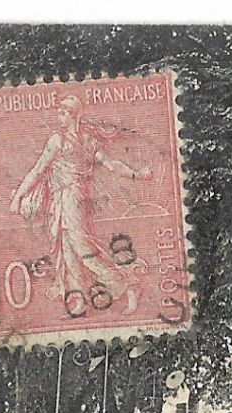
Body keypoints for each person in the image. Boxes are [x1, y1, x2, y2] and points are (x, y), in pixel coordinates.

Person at [8, 92, 151, 312]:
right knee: (68, 250)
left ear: (73, 115)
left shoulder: (62, 141)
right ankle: (78, 299)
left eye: (63, 113)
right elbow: (111, 165)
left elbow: (38, 171)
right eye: (59, 112)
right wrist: (137, 174)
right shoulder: (82, 141)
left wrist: (137, 175)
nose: (60, 117)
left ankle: (128, 284)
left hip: (72, 201)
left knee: (83, 249)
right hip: (67, 201)